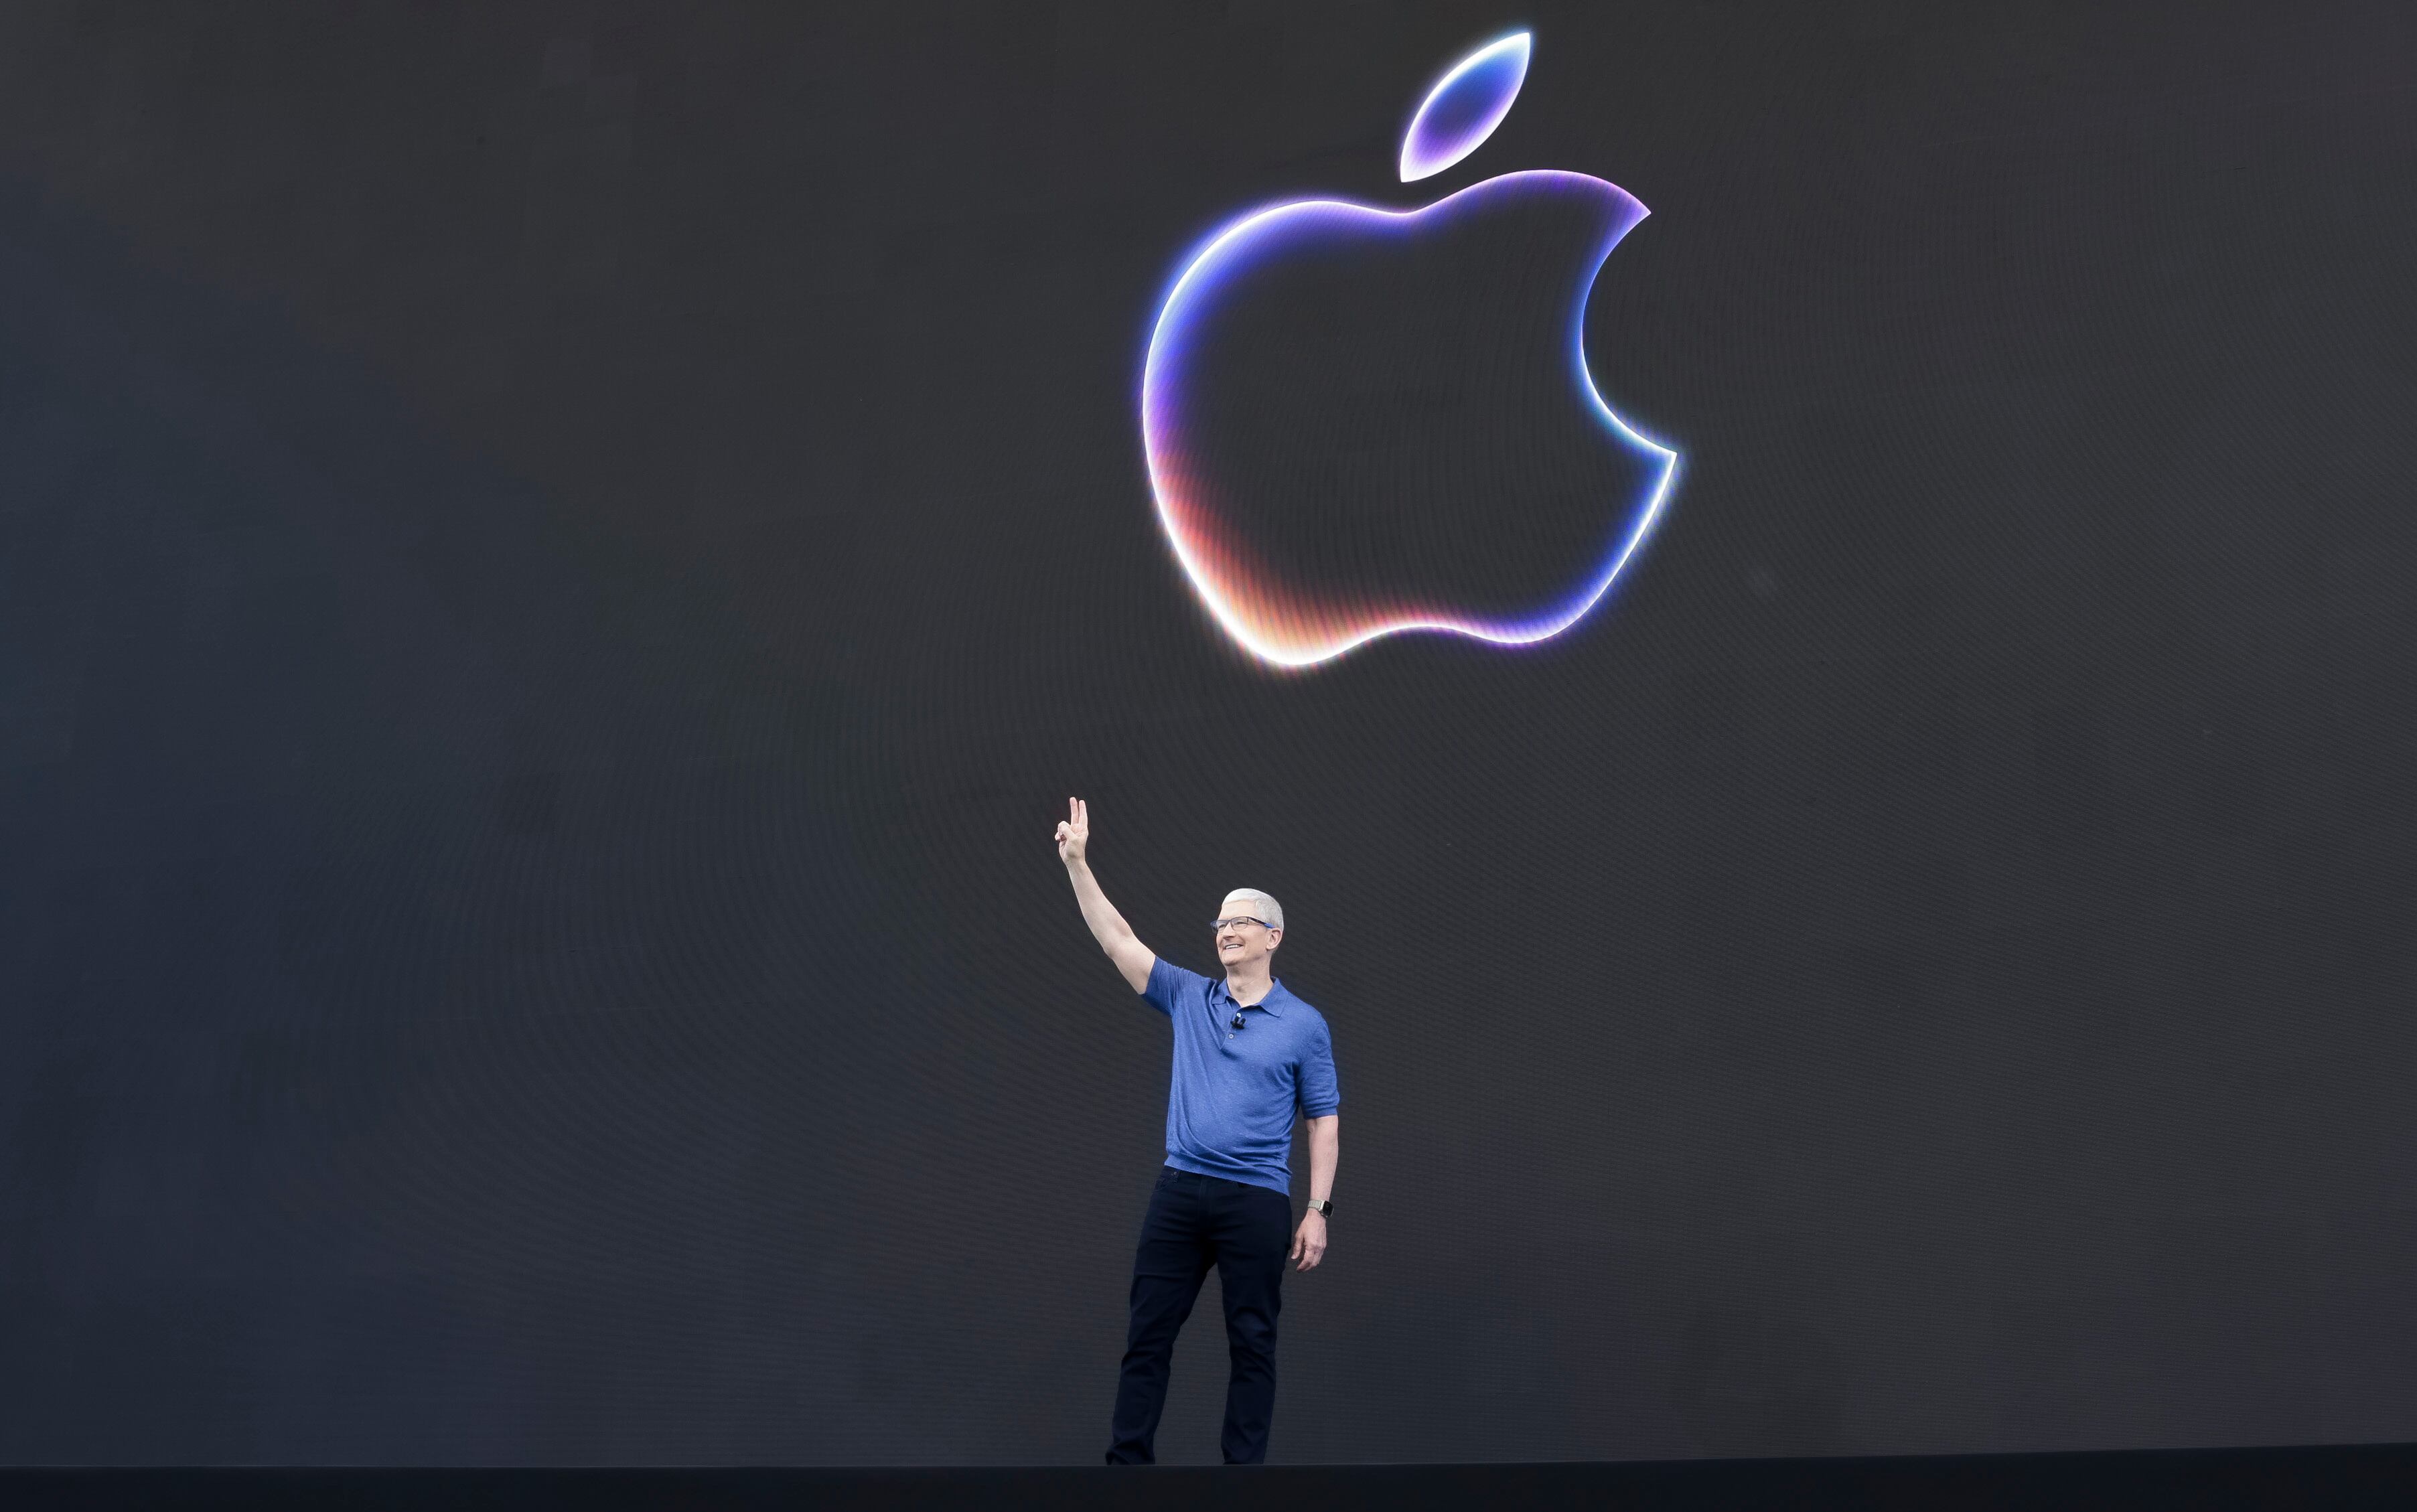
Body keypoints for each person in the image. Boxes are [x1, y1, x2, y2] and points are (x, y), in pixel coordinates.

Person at [1053, 796, 1340, 1466]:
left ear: (1273, 937)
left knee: (1252, 1343)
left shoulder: (1304, 1023)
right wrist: (1077, 864)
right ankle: (1127, 1470)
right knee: (1148, 1334)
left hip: (1256, 1200)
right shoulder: (1189, 996)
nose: (1226, 929)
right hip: (1181, 1192)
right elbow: (1117, 937)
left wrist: (1318, 1209)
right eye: (1221, 921)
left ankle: (1243, 1482)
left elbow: (1323, 1118)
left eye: (1243, 920)